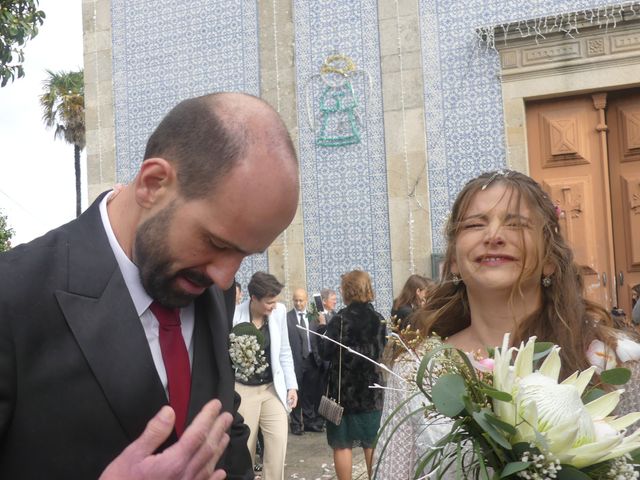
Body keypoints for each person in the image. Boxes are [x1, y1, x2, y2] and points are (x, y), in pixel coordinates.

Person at [0, 92, 299, 479]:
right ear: (154, 184)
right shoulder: (14, 296)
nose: (226, 278)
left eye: (245, 255)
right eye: (216, 243)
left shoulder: (211, 288)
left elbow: (224, 430)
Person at [374, 170, 640, 478]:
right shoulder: (416, 370)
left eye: (516, 223)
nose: (494, 236)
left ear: (549, 259)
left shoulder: (613, 360)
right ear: (455, 261)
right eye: (475, 224)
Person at [317, 270, 386, 480]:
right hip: (371, 392)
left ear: (347, 291)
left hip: (343, 392)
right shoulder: (379, 319)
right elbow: (381, 350)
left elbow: (325, 352)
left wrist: (321, 327)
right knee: (372, 442)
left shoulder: (339, 319)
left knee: (342, 444)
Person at [233, 271, 298, 480]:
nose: (274, 305)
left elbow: (285, 351)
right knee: (246, 448)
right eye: (269, 302)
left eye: (275, 300)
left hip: (272, 388)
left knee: (278, 444)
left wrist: (292, 386)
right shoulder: (234, 316)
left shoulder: (279, 313)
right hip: (243, 390)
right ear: (253, 298)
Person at [287, 288, 325, 435]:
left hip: (311, 360)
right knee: (295, 392)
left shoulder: (313, 317)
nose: (298, 303)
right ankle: (295, 423)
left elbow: (319, 336)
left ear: (306, 300)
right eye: (296, 300)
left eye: (301, 300)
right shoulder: (287, 318)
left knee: (309, 393)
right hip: (295, 361)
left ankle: (309, 422)